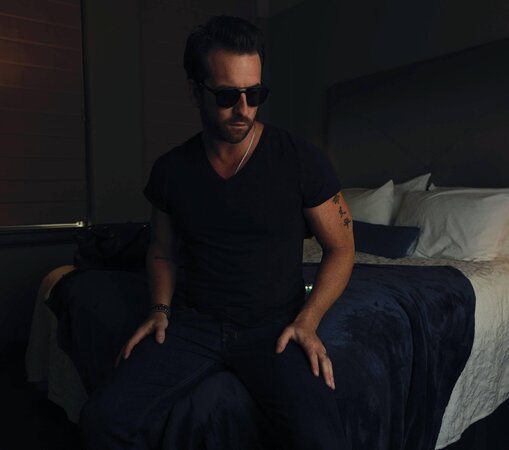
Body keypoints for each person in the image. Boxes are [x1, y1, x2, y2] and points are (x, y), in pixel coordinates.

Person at [79, 14, 355, 450]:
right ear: (196, 91)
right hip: (194, 324)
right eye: (227, 96)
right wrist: (159, 310)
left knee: (324, 441)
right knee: (102, 420)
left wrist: (308, 320)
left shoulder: (302, 160)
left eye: (254, 94)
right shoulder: (171, 170)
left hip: (274, 328)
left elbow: (341, 248)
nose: (243, 109)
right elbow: (162, 250)